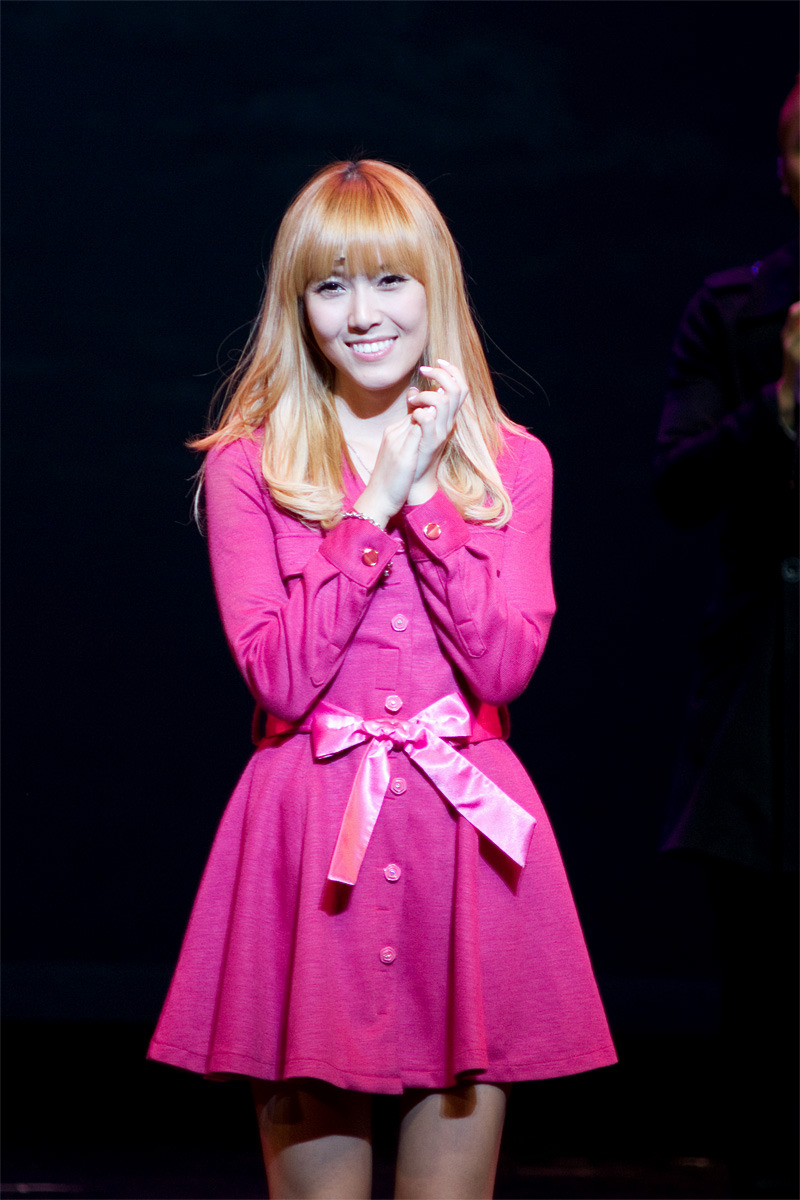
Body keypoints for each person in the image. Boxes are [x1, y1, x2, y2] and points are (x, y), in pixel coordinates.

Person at [148, 159, 616, 1199]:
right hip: (308, 840)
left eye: (389, 279)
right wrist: (373, 505)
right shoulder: (248, 465)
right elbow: (280, 678)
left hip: (464, 847)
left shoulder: (513, 462)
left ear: (434, 285)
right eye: (331, 285)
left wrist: (429, 499)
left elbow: (504, 666)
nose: (362, 314)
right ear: (299, 305)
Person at [654, 81, 798, 1200]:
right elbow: (677, 484)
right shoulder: (735, 307)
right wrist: (780, 409)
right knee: (765, 968)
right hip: (768, 679)